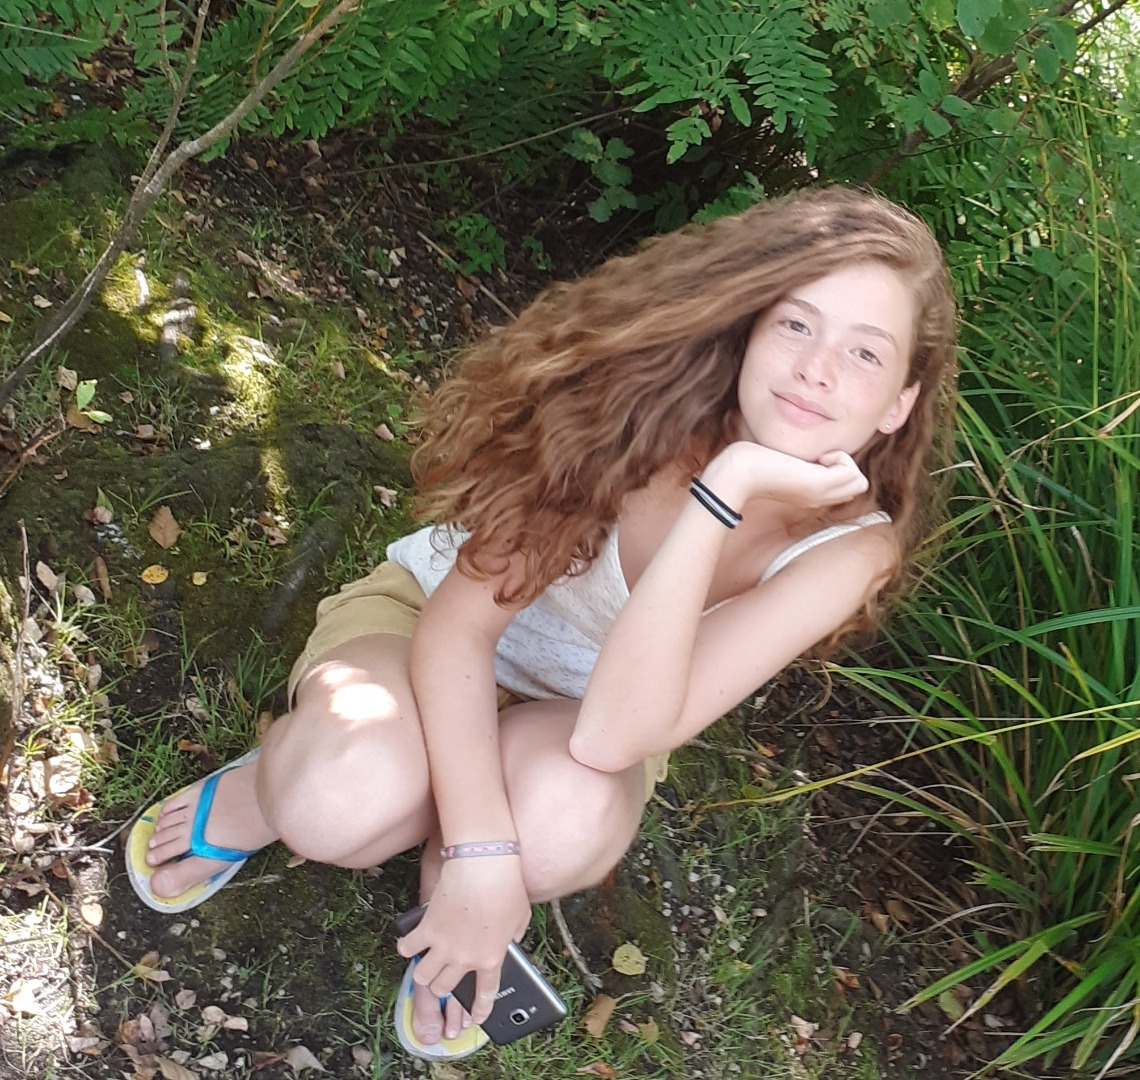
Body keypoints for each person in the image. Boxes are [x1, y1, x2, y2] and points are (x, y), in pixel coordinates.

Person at [126, 185, 957, 1061]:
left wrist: (725, 494)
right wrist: (487, 847)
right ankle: (273, 792)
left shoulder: (852, 549)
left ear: (899, 403)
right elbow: (459, 630)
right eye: (796, 324)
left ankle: (452, 896)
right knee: (337, 799)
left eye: (865, 352)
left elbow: (614, 736)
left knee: (564, 821)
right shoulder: (638, 408)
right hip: (424, 632)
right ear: (750, 327)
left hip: (580, 725)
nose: (818, 368)